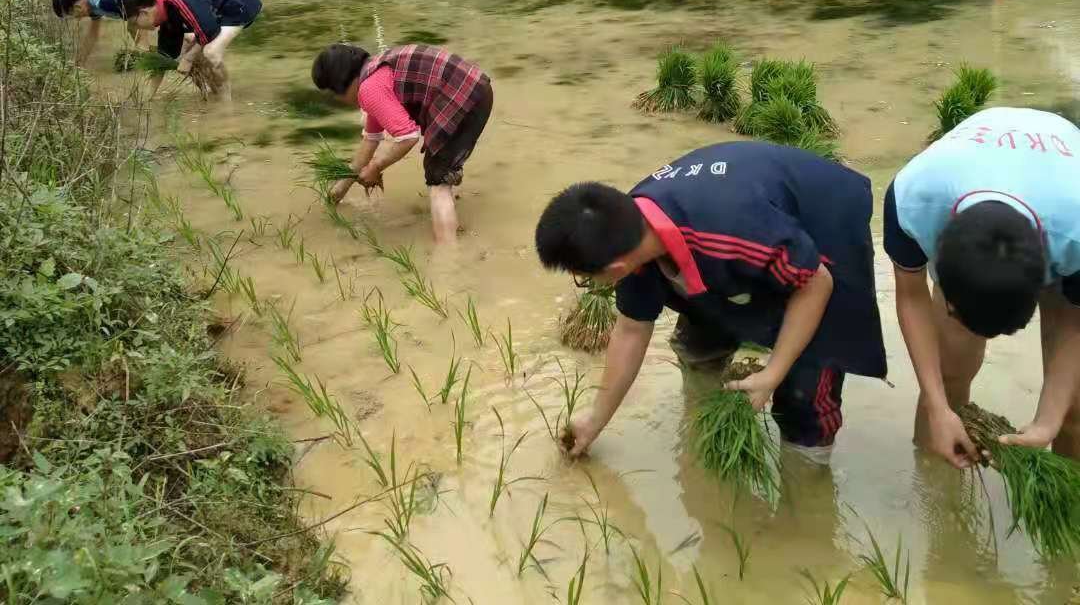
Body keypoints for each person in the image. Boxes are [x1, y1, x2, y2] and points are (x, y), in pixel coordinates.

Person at [535, 141, 886, 461]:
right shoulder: (630, 231)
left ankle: (806, 475)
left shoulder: (727, 233)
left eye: (584, 277)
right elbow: (631, 330)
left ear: (615, 267)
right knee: (701, 333)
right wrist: (596, 418)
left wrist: (773, 373)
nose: (585, 283)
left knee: (807, 384)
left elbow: (816, 283)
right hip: (751, 227)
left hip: (824, 221)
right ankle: (705, 428)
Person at [884, 106, 1080, 467]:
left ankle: (1069, 504)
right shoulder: (912, 199)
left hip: (1062, 196)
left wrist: (1049, 420)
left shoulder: (1075, 230)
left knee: (1074, 408)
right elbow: (912, 298)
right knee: (949, 371)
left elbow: (1073, 319)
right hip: (974, 179)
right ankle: (937, 490)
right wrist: (938, 406)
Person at [311, 42, 493, 248]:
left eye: (335, 94)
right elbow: (371, 140)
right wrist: (338, 191)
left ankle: (447, 257)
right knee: (441, 167)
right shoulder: (375, 71)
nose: (339, 100)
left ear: (342, 83)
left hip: (463, 97)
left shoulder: (370, 89)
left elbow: (408, 137)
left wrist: (376, 167)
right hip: (475, 89)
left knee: (437, 182)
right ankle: (450, 190)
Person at [118, 0, 262, 99]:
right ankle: (216, 95)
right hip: (219, 8)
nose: (135, 27)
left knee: (211, 52)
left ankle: (226, 107)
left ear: (144, 12)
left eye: (134, 22)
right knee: (193, 45)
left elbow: (209, 30)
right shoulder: (164, 12)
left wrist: (188, 58)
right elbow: (163, 58)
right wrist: (146, 98)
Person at [51, 0, 181, 65]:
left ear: (76, 7)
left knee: (178, 31)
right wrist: (79, 64)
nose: (76, 18)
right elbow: (92, 35)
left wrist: (144, 55)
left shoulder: (104, 0)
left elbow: (138, 12)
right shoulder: (92, 1)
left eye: (72, 15)